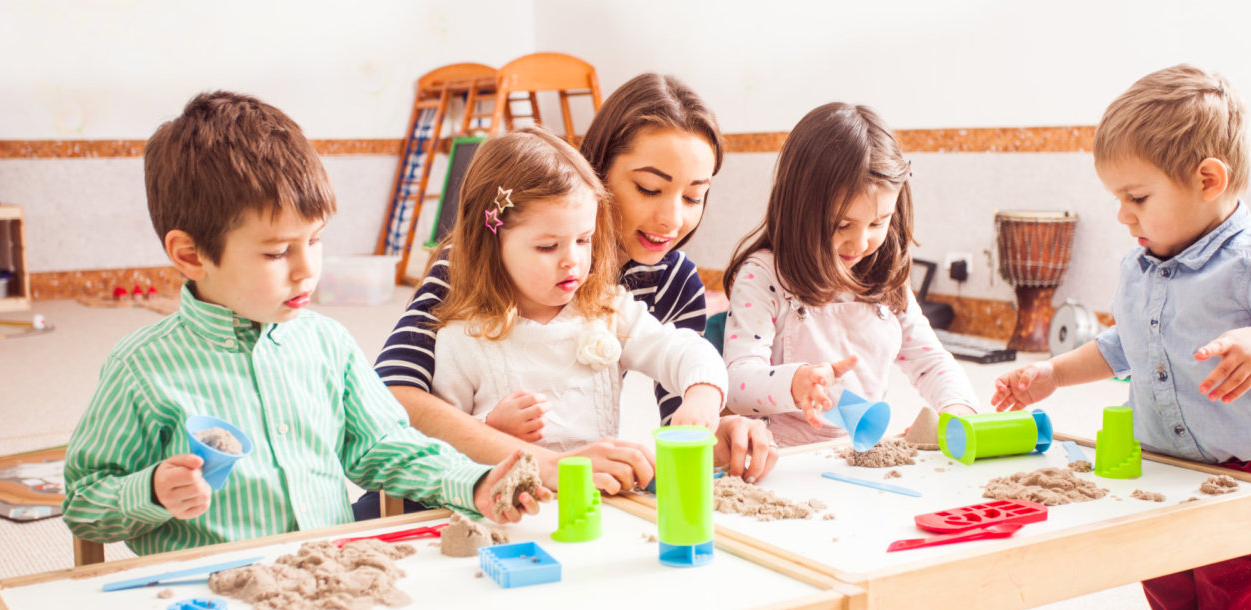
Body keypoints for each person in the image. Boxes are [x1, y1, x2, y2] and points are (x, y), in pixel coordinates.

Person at [62, 91, 547, 556]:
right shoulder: (141, 368)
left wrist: (474, 482)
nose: (307, 269)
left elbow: (387, 446)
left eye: (315, 240)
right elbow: (84, 503)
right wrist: (149, 490)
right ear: (190, 255)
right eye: (276, 252)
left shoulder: (327, 345)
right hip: (210, 592)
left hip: (323, 574)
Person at [990, 64, 1251, 610]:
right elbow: (1123, 346)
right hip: (1160, 478)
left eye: (1136, 196)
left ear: (1208, 180)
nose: (1121, 214)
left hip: (1248, 488)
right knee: (1172, 608)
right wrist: (1055, 374)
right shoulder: (1138, 267)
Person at [369, 74, 776, 507]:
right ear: (595, 174)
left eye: (694, 197)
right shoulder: (475, 267)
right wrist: (525, 451)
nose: (671, 220)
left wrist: (721, 428)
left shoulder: (653, 290)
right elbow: (397, 402)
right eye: (649, 188)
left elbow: (684, 400)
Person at [423, 126, 727, 465]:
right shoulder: (464, 336)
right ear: (493, 246)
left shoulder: (608, 310)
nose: (573, 259)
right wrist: (491, 428)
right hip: (510, 511)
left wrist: (702, 392)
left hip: (597, 501)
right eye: (548, 246)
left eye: (584, 240)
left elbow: (684, 350)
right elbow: (437, 449)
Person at [720, 102, 981, 447]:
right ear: (800, 208)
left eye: (877, 222)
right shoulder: (764, 277)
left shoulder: (885, 280)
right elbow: (737, 382)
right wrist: (795, 382)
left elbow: (930, 361)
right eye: (842, 224)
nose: (860, 242)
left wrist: (958, 408)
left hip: (859, 455)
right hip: (782, 456)